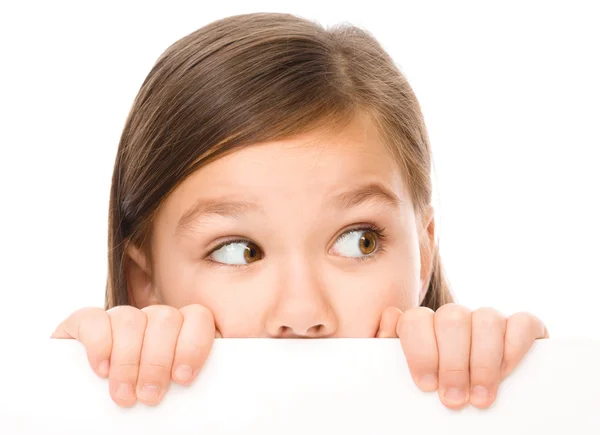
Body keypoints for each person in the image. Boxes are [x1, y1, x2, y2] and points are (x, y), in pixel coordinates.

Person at [51, 12, 548, 411]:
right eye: (239, 251)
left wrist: (538, 395)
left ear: (423, 253)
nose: (302, 314)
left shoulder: (517, 401)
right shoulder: (73, 402)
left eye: (359, 241)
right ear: (144, 280)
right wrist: (63, 397)